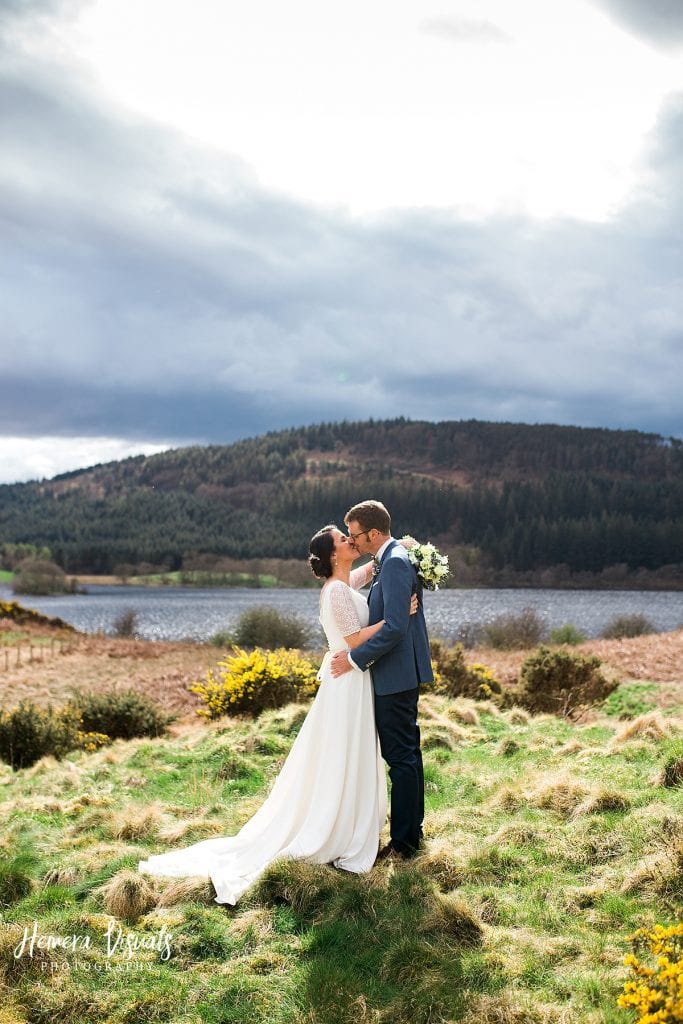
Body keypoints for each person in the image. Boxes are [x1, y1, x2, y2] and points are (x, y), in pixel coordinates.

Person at [138, 525, 416, 905]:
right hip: (346, 682)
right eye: (342, 539)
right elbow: (353, 641)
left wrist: (405, 546)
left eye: (350, 536)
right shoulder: (335, 591)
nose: (351, 541)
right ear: (334, 554)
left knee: (347, 754)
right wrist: (395, 619)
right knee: (339, 755)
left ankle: (350, 822)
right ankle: (332, 828)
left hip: (354, 681)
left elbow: (373, 568)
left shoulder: (345, 582)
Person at [331, 500, 433, 860]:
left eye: (355, 535)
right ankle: (412, 834)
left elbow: (394, 627)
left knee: (401, 757)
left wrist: (354, 660)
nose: (353, 541)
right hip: (399, 672)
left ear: (372, 533)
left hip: (395, 675)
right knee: (407, 754)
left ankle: (405, 844)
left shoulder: (392, 563)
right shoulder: (389, 559)